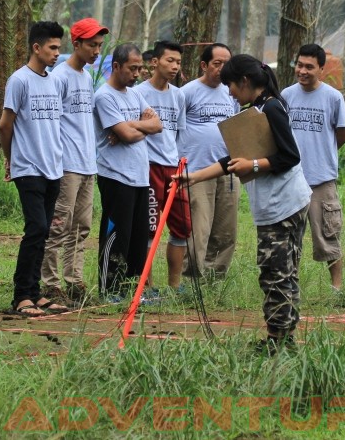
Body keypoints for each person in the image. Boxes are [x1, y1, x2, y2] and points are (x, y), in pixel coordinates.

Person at [175, 55, 311, 354]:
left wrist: (254, 164)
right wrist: (194, 177)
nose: (230, 93)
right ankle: (282, 337)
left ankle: (280, 341)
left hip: (284, 205)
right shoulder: (256, 110)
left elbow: (289, 156)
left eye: (231, 86)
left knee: (276, 271)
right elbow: (233, 159)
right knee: (280, 271)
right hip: (273, 205)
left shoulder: (272, 108)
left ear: (246, 82)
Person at [0, 21, 68, 317]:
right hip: (28, 167)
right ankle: (21, 296)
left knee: (45, 232)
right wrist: (10, 158)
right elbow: (5, 124)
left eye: (59, 48)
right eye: (52, 47)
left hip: (54, 168)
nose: (56, 53)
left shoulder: (53, 81)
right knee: (36, 228)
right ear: (36, 47)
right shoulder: (19, 80)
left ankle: (36, 293)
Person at [41, 18, 108, 304]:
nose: (96, 51)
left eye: (100, 46)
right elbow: (52, 123)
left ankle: (74, 279)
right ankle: (50, 282)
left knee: (81, 227)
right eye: (91, 45)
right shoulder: (59, 76)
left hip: (87, 164)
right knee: (59, 225)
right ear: (76, 43)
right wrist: (55, 161)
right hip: (66, 165)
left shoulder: (86, 77)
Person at [95, 43, 162, 299]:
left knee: (137, 236)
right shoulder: (104, 96)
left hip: (139, 177)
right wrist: (134, 128)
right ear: (116, 66)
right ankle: (109, 288)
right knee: (116, 234)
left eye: (139, 68)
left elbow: (157, 125)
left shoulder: (135, 95)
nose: (137, 74)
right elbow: (124, 135)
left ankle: (134, 288)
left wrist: (133, 124)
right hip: (115, 175)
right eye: (132, 68)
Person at [281, 44, 345, 291]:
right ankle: (289, 284)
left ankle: (336, 288)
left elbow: (342, 135)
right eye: (299, 65)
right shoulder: (286, 95)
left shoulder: (333, 97)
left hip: (321, 179)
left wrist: (323, 155)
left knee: (328, 235)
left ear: (321, 68)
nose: (303, 71)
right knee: (290, 236)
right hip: (291, 178)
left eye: (309, 67)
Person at [178, 43, 239, 279]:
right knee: (199, 229)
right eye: (217, 63)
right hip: (197, 170)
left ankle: (215, 279)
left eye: (227, 63)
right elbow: (175, 129)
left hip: (228, 169)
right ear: (204, 65)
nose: (223, 69)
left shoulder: (231, 92)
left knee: (225, 230)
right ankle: (191, 278)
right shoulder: (187, 92)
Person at [133, 41, 190, 291]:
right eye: (170, 60)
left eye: (178, 62)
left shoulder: (179, 95)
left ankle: (174, 285)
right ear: (154, 62)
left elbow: (180, 134)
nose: (175, 66)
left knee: (182, 226)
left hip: (174, 169)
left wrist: (180, 165)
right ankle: (147, 286)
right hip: (149, 167)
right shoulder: (138, 93)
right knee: (149, 228)